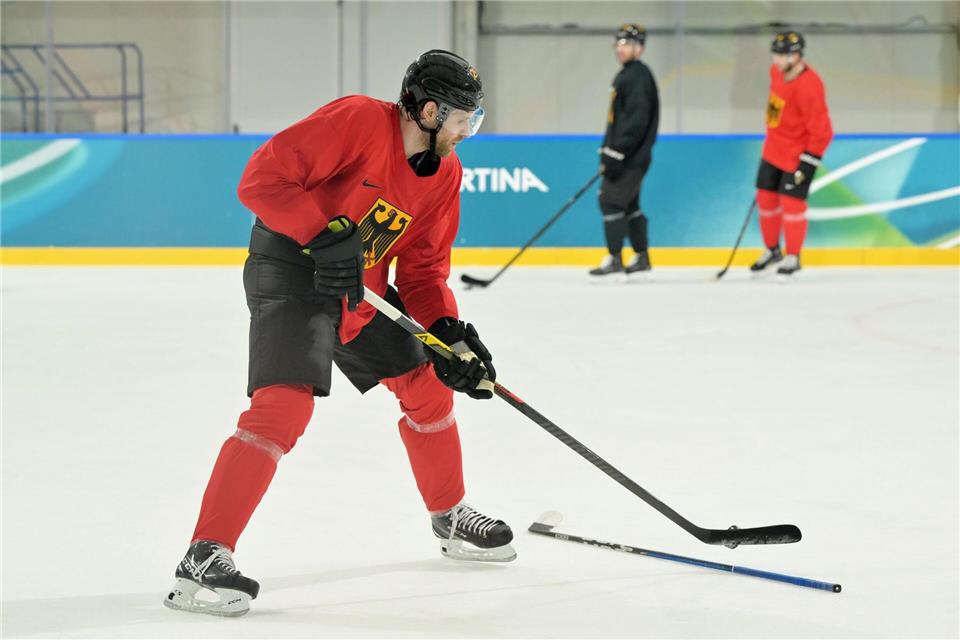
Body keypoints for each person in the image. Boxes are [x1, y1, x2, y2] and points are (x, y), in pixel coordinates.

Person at [163, 50, 514, 618]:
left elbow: (424, 272)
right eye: (462, 119)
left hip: (361, 289)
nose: (466, 132)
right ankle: (204, 557)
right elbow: (260, 181)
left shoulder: (445, 175)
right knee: (283, 408)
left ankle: (450, 516)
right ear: (429, 111)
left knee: (428, 384)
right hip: (293, 271)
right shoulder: (356, 121)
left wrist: (448, 332)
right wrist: (320, 232)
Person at [750, 30, 833, 277]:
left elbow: (823, 131)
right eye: (774, 55)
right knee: (765, 198)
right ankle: (772, 249)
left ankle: (793, 256)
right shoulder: (775, 72)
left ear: (796, 56)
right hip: (773, 149)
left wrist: (808, 163)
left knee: (792, 203)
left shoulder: (810, 86)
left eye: (781, 55)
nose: (775, 60)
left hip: (798, 155)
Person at [591, 23, 660, 278]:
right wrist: (607, 150)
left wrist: (615, 152)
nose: (621, 49)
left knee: (610, 200)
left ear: (639, 48)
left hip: (631, 156)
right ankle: (642, 257)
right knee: (629, 205)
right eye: (618, 44)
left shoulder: (638, 76)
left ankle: (615, 258)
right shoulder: (627, 74)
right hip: (628, 155)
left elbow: (636, 121)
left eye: (627, 44)